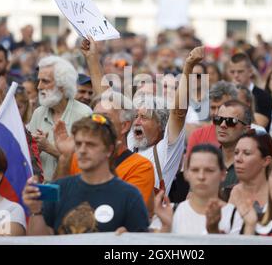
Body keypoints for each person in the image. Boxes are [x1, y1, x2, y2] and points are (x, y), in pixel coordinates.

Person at [22, 115, 149, 234]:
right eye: (78, 144)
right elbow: (39, 240)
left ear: (109, 150)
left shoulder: (129, 196)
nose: (82, 150)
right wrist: (36, 211)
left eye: (90, 144)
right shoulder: (57, 188)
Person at [54, 92, 155, 209]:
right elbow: (54, 203)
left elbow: (126, 213)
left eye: (104, 118)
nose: (96, 124)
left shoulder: (140, 166)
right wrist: (65, 157)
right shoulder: (79, 157)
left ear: (124, 126)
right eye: (93, 118)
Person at [128, 46, 205, 195]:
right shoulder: (132, 141)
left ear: (160, 124)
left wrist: (188, 66)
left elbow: (177, 112)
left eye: (144, 117)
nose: (137, 122)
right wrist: (92, 58)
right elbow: (105, 99)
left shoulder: (167, 150)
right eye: (135, 117)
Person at [27, 55, 92, 181]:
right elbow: (28, 161)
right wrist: (35, 149)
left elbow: (87, 161)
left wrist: (48, 148)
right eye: (39, 80)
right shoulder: (38, 113)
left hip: (72, 191)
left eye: (45, 81)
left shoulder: (84, 114)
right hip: (42, 192)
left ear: (63, 84)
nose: (39, 86)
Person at [207, 129, 272, 234]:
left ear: (266, 160)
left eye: (247, 153)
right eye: (236, 152)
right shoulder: (226, 192)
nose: (238, 159)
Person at [153, 144, 232, 234]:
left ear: (223, 174)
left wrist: (214, 231)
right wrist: (166, 228)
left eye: (209, 170)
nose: (201, 176)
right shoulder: (168, 212)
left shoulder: (234, 215)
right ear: (186, 173)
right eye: (195, 170)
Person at [186, 81, 238, 157]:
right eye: (213, 108)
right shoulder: (197, 135)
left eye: (221, 107)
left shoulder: (244, 133)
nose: (216, 113)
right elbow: (189, 167)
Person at [213, 100, 252, 192]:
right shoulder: (206, 161)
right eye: (218, 119)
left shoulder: (253, 166)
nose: (223, 125)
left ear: (246, 130)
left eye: (231, 121)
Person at [227, 53, 272, 129]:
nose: (235, 75)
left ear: (250, 71)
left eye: (240, 71)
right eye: (232, 72)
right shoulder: (226, 94)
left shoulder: (263, 97)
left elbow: (257, 128)